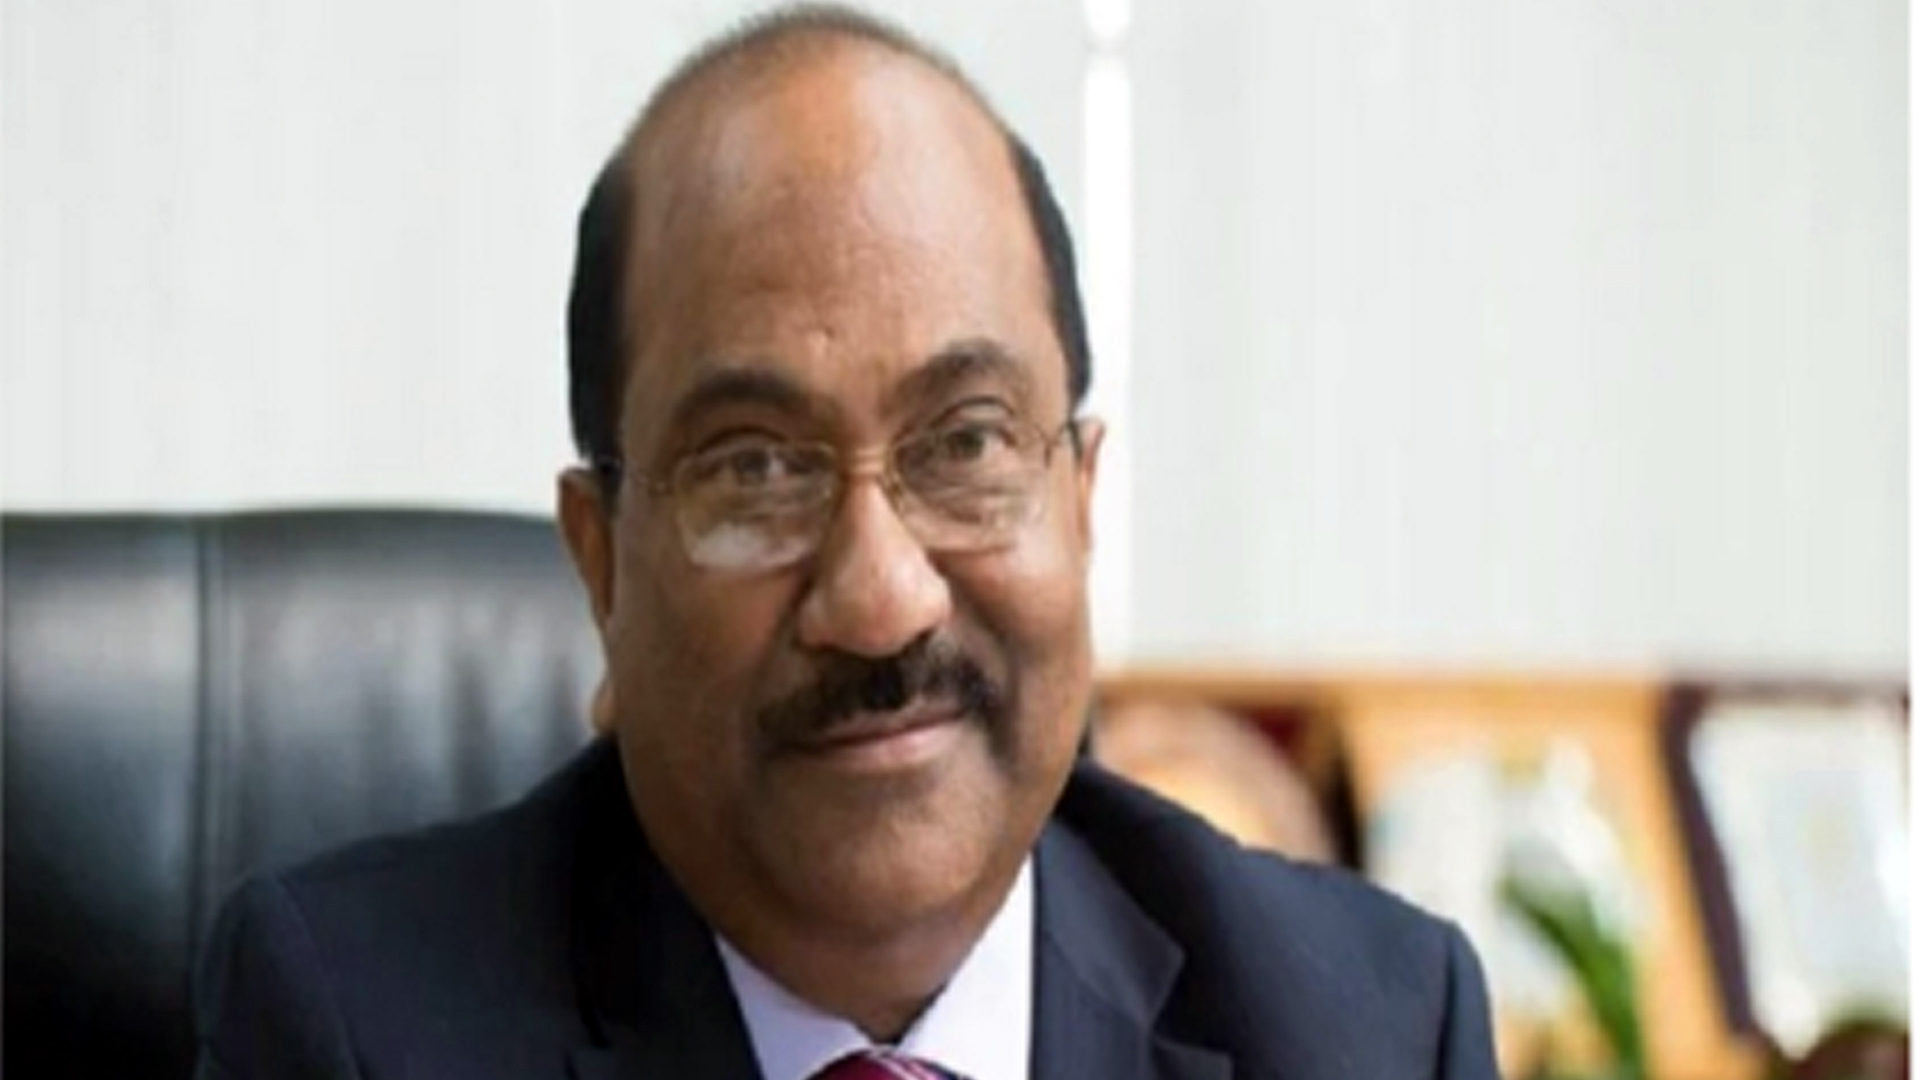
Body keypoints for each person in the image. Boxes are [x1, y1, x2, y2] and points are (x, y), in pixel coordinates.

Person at [191, 6, 1499, 1078]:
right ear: (602, 568)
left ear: (1082, 503)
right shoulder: (350, 1032)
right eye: (756, 468)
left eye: (966, 442)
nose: (881, 600)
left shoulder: (1370, 1029)